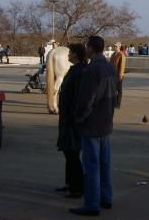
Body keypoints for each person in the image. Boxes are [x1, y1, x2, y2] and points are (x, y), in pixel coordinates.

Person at [71, 35, 117, 216]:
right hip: (106, 123)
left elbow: (86, 100)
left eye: (87, 47)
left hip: (92, 125)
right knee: (104, 164)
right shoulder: (110, 68)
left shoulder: (92, 70)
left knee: (91, 167)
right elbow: (117, 95)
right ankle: (106, 197)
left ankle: (91, 204)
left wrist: (79, 118)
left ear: (90, 48)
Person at [56, 43, 87, 199]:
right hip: (67, 118)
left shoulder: (80, 71)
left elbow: (78, 98)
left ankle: (78, 187)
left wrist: (73, 118)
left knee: (73, 154)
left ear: (75, 54)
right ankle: (70, 183)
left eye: (70, 52)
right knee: (68, 153)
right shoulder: (75, 69)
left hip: (72, 120)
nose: (68, 55)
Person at [109, 42, 126, 109]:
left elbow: (122, 66)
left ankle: (118, 104)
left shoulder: (121, 54)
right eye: (114, 46)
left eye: (116, 46)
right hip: (112, 74)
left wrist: (121, 75)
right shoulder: (113, 54)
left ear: (119, 47)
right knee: (113, 89)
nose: (115, 47)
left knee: (119, 90)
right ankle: (113, 102)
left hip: (118, 74)